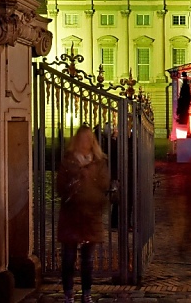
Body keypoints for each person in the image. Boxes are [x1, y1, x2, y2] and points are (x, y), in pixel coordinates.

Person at [56, 125, 110, 303]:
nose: (85, 143)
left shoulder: (99, 162)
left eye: (89, 139)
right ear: (77, 141)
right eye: (82, 139)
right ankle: (68, 293)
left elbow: (104, 185)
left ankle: (87, 293)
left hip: (90, 216)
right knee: (69, 258)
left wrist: (91, 187)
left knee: (87, 260)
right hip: (72, 215)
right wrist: (74, 184)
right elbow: (60, 187)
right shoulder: (68, 161)